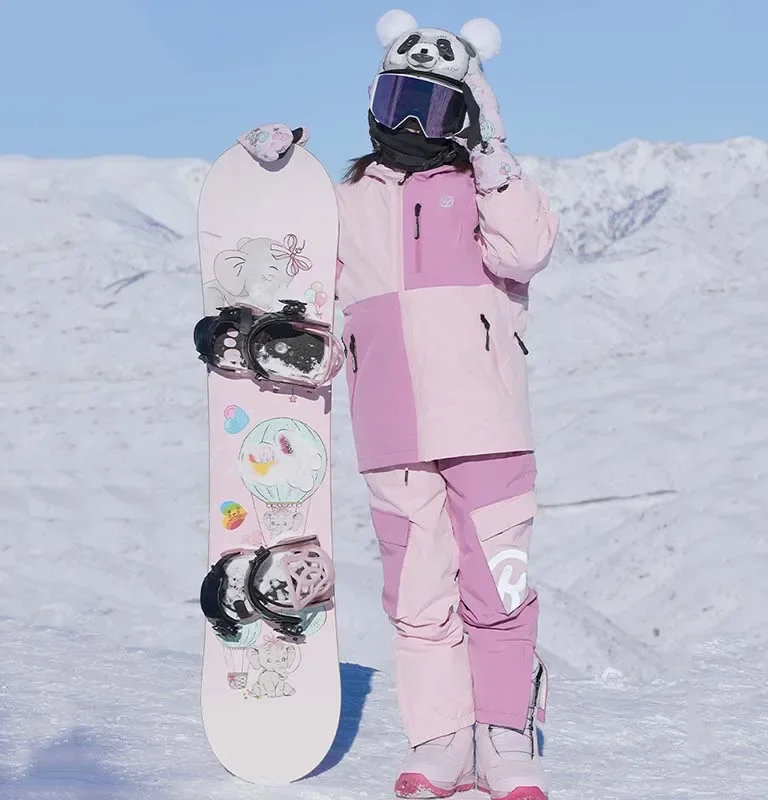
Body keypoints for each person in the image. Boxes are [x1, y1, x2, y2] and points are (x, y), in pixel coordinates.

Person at [238, 10, 559, 800]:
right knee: (416, 598)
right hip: (392, 429)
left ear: (468, 114)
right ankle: (441, 740)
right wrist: (274, 170)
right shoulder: (349, 199)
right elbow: (285, 248)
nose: (412, 124)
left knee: (500, 591)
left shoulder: (483, 190)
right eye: (397, 102)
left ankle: (506, 739)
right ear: (374, 103)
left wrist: (490, 155)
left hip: (486, 427)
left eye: (436, 107)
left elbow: (529, 250)